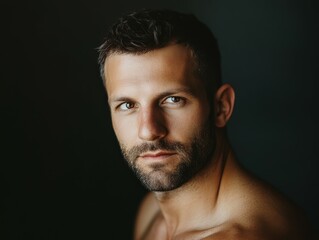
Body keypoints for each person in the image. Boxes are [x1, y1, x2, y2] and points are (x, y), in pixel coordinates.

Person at [97, 9, 314, 240]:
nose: (149, 130)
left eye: (172, 100)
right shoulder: (152, 210)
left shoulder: (249, 234)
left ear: (221, 106)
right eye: (127, 105)